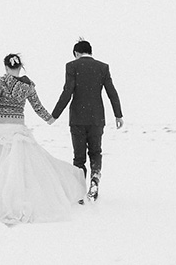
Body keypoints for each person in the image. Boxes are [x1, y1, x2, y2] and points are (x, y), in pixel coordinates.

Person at [0, 53, 86, 225]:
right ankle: (18, 197)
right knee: (19, 168)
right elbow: (37, 107)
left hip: (0, 127)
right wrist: (50, 118)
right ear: (20, 67)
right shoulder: (28, 85)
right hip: (17, 128)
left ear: (6, 67)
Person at [49, 40, 123, 203]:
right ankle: (95, 177)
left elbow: (67, 92)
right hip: (97, 118)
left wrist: (54, 115)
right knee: (96, 152)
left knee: (79, 157)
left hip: (77, 118)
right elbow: (112, 92)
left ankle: (79, 191)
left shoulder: (72, 66)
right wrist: (118, 114)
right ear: (90, 51)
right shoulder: (102, 67)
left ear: (76, 53)